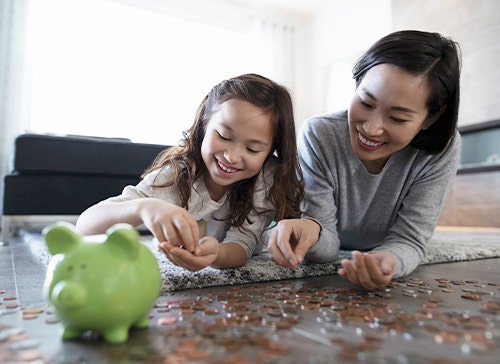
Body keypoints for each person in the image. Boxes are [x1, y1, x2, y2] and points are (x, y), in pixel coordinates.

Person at [268, 30, 462, 290]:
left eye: (397, 118)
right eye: (366, 103)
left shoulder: (441, 149)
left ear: (430, 119)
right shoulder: (320, 134)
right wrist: (310, 231)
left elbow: (410, 241)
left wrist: (387, 261)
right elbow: (326, 244)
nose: (371, 129)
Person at [76, 73, 303, 271]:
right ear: (204, 124)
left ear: (270, 151)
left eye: (252, 149)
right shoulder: (177, 175)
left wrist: (218, 255)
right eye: (223, 136)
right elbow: (85, 227)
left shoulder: (266, 179)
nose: (232, 157)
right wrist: (143, 207)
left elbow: (244, 244)